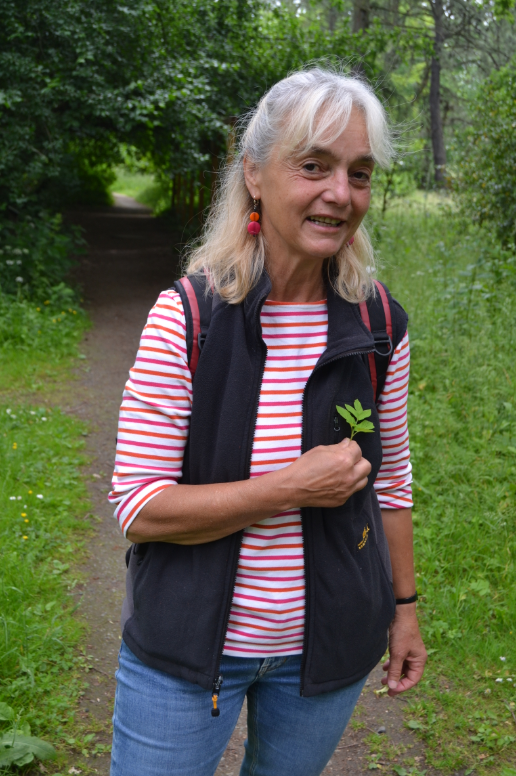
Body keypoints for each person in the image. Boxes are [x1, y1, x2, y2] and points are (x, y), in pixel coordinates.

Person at [108, 67, 427, 776]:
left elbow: (394, 483)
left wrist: (404, 609)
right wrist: (290, 486)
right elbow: (141, 508)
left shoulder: (378, 326)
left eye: (360, 173)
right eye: (313, 166)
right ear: (254, 174)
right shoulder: (187, 319)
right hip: (186, 654)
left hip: (329, 652)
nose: (340, 194)